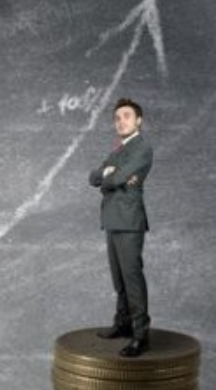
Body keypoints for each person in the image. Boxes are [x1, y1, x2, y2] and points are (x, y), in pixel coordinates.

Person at [90, 97, 154, 358]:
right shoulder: (117, 151)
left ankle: (140, 334)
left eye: (126, 116)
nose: (120, 121)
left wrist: (109, 177)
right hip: (113, 220)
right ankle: (123, 322)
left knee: (132, 278)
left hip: (128, 222)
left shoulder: (142, 147)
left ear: (139, 120)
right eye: (117, 118)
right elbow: (93, 176)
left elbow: (110, 179)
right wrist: (110, 176)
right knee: (119, 280)